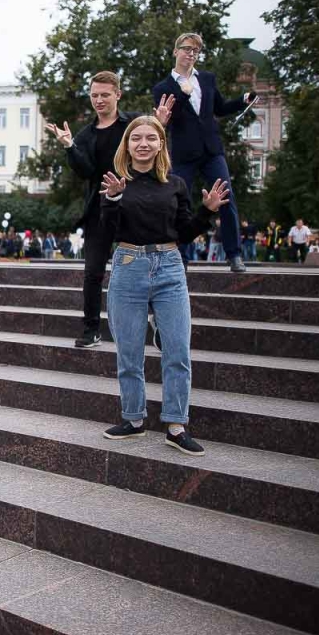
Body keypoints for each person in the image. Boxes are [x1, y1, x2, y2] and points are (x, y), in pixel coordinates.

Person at [97, 116, 230, 456]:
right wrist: (111, 201)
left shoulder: (176, 184)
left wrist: (206, 211)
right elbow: (107, 235)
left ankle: (176, 424)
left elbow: (184, 233)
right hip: (128, 266)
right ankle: (134, 419)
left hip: (170, 268)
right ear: (126, 145)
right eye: (136, 138)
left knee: (178, 351)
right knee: (129, 352)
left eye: (150, 138)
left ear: (160, 145)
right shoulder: (116, 184)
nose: (143, 143)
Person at [46, 70, 174, 348]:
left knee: (149, 266)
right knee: (93, 271)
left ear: (118, 94)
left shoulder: (133, 125)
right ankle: (91, 329)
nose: (99, 100)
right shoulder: (85, 134)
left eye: (105, 94)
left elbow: (152, 150)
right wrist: (69, 146)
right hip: (100, 209)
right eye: (94, 96)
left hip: (137, 205)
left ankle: (160, 324)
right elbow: (86, 171)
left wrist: (160, 125)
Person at [152, 32, 258, 273]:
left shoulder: (207, 79)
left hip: (212, 150)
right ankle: (182, 256)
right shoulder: (163, 88)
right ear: (175, 51)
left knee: (226, 197)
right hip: (184, 154)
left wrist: (242, 100)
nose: (191, 54)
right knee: (180, 203)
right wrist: (183, 93)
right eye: (187, 49)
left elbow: (219, 108)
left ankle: (234, 255)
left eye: (196, 51)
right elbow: (167, 117)